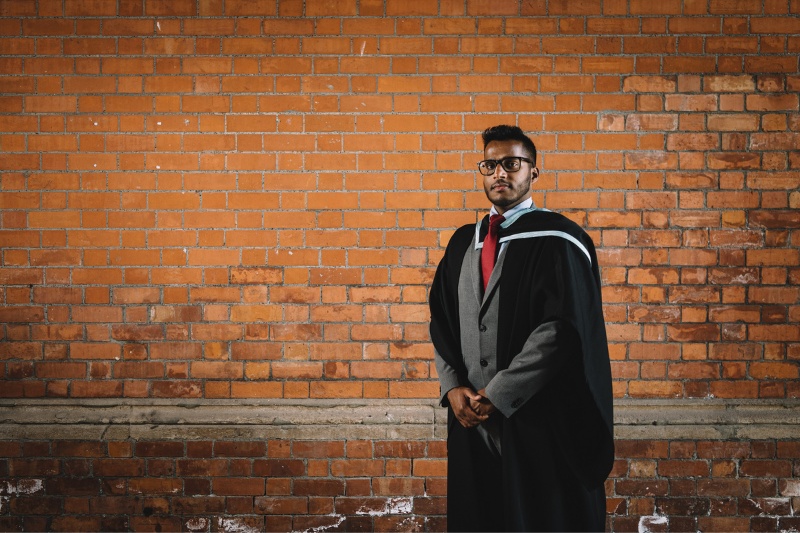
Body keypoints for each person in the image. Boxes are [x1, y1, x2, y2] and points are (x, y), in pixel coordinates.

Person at [429, 125, 615, 532]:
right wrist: (452, 387)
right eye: (490, 164)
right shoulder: (463, 242)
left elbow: (561, 330)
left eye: (511, 164)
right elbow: (440, 319)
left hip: (539, 421)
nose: (499, 173)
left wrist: (498, 394)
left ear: (533, 172)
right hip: (471, 422)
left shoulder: (558, 239)